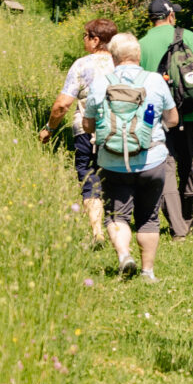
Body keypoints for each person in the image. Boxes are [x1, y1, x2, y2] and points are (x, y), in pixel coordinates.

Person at [83, 33, 177, 280]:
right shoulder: (156, 81)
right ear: (138, 56)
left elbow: (88, 125)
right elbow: (173, 119)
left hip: (113, 162)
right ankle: (148, 272)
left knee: (117, 215)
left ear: (113, 57)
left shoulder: (101, 83)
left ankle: (124, 255)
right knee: (148, 217)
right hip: (152, 160)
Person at [139, 0, 193, 238]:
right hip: (191, 113)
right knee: (188, 166)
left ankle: (178, 228)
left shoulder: (141, 43)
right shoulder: (187, 36)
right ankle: (188, 218)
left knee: (166, 168)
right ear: (171, 16)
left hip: (159, 118)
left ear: (151, 18)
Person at [39, 19, 119, 246]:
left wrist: (49, 129)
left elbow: (62, 105)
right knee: (115, 178)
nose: (83, 40)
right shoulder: (123, 63)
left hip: (87, 130)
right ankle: (117, 229)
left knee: (90, 176)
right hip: (120, 130)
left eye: (85, 36)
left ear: (95, 40)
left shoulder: (82, 65)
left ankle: (97, 232)